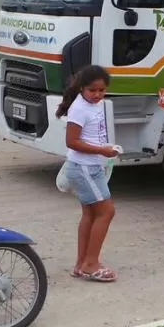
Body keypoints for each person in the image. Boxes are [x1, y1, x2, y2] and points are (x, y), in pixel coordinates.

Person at [56, 65, 121, 283]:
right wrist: (102, 150)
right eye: (92, 90)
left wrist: (104, 151)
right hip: (84, 168)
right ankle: (91, 264)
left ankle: (81, 264)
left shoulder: (96, 105)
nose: (97, 94)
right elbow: (72, 142)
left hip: (92, 166)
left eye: (101, 90)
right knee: (107, 212)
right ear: (82, 88)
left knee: (91, 214)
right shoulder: (80, 109)